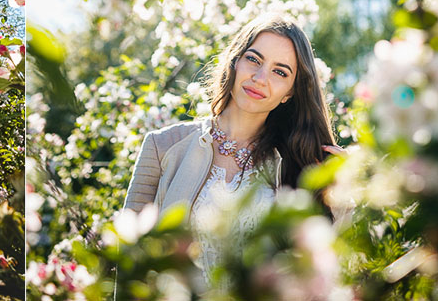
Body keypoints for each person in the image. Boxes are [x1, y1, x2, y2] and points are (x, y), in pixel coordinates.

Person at [122, 14, 343, 284]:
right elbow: (129, 263)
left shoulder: (298, 169)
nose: (260, 78)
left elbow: (325, 270)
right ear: (235, 61)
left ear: (290, 93)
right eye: (253, 59)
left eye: (280, 72)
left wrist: (347, 195)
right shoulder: (162, 146)